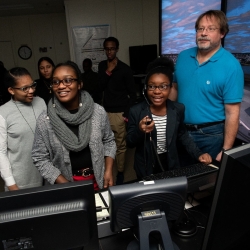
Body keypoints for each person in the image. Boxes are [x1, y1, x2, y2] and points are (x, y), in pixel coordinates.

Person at [170, 10, 244, 162]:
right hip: (180, 130)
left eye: (211, 29)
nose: (204, 33)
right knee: (179, 177)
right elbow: (175, 89)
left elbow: (232, 113)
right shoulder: (183, 56)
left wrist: (226, 150)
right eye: (200, 29)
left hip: (210, 136)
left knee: (205, 181)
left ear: (222, 33)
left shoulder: (231, 66)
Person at [32, 61, 116, 190]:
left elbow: (109, 141)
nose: (61, 86)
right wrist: (67, 185)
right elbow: (39, 158)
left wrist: (108, 171)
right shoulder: (45, 119)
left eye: (68, 80)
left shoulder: (97, 111)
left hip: (97, 180)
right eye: (56, 82)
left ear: (79, 84)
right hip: (64, 185)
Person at [126, 57, 212, 180]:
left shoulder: (177, 109)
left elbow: (182, 135)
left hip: (170, 164)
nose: (157, 91)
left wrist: (199, 154)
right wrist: (140, 130)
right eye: (151, 86)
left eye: (163, 86)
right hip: (145, 166)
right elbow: (129, 142)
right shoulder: (136, 111)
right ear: (146, 88)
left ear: (170, 88)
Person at [0, 67, 46, 191]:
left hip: (47, 177)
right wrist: (11, 184)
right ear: (11, 90)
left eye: (32, 85)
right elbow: (1, 153)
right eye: (25, 88)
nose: (31, 90)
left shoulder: (41, 103)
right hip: (21, 182)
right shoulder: (3, 113)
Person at [98, 36, 136, 184]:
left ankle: (120, 172)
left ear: (117, 49)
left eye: (112, 48)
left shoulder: (125, 69)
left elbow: (133, 94)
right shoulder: (102, 66)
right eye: (107, 49)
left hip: (119, 113)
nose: (109, 51)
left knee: (120, 146)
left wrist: (126, 115)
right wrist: (108, 72)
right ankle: (106, 170)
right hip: (104, 112)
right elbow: (99, 88)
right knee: (103, 143)